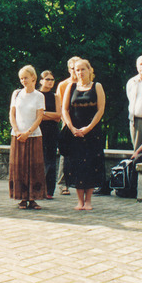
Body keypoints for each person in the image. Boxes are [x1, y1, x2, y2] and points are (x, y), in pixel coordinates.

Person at [61, 58, 106, 210]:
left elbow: (100, 110)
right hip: (75, 133)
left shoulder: (97, 86)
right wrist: (72, 128)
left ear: (90, 70)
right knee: (77, 166)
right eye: (77, 70)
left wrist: (89, 128)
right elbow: (65, 110)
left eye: (83, 69)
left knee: (91, 166)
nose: (80, 72)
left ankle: (88, 201)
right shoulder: (70, 87)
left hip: (92, 133)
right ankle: (80, 201)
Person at [8, 66, 46, 209]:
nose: (23, 80)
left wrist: (28, 133)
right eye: (21, 78)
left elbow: (39, 117)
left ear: (33, 78)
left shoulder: (39, 96)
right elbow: (12, 114)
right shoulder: (16, 94)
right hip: (17, 136)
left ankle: (33, 198)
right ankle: (21, 198)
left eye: (26, 77)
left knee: (34, 167)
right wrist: (17, 131)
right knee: (19, 167)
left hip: (34, 136)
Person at [55, 56, 81, 195]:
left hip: (83, 122)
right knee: (65, 154)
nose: (76, 72)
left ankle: (81, 183)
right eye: (73, 69)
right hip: (68, 123)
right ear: (69, 69)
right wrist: (67, 124)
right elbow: (60, 107)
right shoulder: (63, 85)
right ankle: (63, 184)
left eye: (78, 69)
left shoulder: (87, 84)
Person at [39, 70, 61, 199]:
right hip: (38, 130)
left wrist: (43, 114)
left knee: (51, 160)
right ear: (41, 81)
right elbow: (35, 115)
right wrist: (46, 115)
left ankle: (49, 190)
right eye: (47, 79)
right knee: (39, 159)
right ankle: (38, 188)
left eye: (52, 80)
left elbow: (58, 116)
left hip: (52, 131)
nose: (50, 82)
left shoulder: (55, 96)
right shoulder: (37, 95)